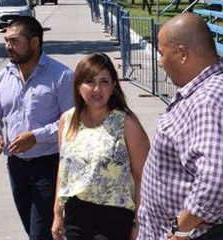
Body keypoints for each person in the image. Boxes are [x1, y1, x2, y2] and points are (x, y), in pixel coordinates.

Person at [137, 13, 223, 240]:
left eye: (162, 53)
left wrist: (181, 228)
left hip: (200, 234)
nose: (160, 61)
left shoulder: (208, 100)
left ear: (182, 54)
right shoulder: (222, 83)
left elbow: (215, 180)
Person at [0, 16, 74, 240]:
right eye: (6, 41)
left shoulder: (61, 76)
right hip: (16, 166)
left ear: (34, 43)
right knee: (32, 228)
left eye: (14, 41)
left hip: (50, 166)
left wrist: (36, 137)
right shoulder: (3, 76)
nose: (8, 47)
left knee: (40, 233)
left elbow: (72, 122)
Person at [51, 53, 150, 240]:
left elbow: (143, 177)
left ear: (113, 86)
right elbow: (63, 170)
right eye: (89, 81)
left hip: (114, 218)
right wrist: (57, 214)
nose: (97, 89)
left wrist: (139, 223)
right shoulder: (67, 120)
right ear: (78, 86)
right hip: (76, 216)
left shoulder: (126, 123)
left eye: (104, 81)